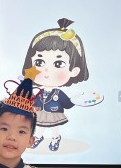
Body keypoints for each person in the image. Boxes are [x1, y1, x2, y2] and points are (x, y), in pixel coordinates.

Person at [22, 18, 90, 151]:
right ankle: (38, 137)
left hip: (54, 112)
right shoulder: (39, 92)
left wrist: (76, 100)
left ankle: (55, 138)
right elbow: (34, 101)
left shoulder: (58, 93)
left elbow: (68, 104)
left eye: (58, 64)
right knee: (39, 125)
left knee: (54, 126)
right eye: (39, 62)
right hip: (41, 112)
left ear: (74, 71)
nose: (46, 71)